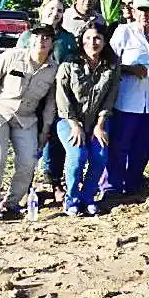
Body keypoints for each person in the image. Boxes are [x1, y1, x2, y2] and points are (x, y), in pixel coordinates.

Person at [0, 24, 58, 220]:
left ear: (52, 43)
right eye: (37, 37)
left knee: (28, 162)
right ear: (30, 39)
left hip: (26, 119)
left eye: (46, 38)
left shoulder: (53, 70)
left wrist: (45, 129)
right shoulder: (11, 56)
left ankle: (12, 203)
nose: (41, 41)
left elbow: (50, 104)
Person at [16, 0, 78, 203]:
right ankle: (25, 184)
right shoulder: (27, 37)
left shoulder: (67, 39)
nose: (55, 13)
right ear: (42, 9)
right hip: (32, 97)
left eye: (59, 10)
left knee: (55, 141)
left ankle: (54, 181)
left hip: (58, 97)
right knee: (28, 141)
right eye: (51, 9)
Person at [55, 22, 120, 217]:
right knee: (77, 157)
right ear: (81, 41)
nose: (93, 42)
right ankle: (72, 199)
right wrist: (75, 125)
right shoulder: (69, 64)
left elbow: (110, 97)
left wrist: (100, 125)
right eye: (89, 38)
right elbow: (62, 97)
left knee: (100, 157)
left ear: (104, 41)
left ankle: (88, 197)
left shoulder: (111, 66)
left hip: (97, 121)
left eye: (98, 38)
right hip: (69, 121)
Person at [106, 0, 149, 195]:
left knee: (143, 147)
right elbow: (109, 63)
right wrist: (130, 69)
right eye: (140, 9)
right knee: (120, 146)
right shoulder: (124, 32)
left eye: (148, 10)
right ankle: (112, 185)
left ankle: (133, 183)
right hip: (126, 101)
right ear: (133, 11)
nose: (144, 14)